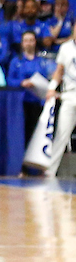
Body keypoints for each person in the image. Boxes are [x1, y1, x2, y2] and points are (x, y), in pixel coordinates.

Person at [44, 24, 76, 177]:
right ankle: (51, 171)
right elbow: (59, 71)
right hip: (69, 94)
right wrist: (52, 88)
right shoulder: (65, 48)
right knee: (62, 133)